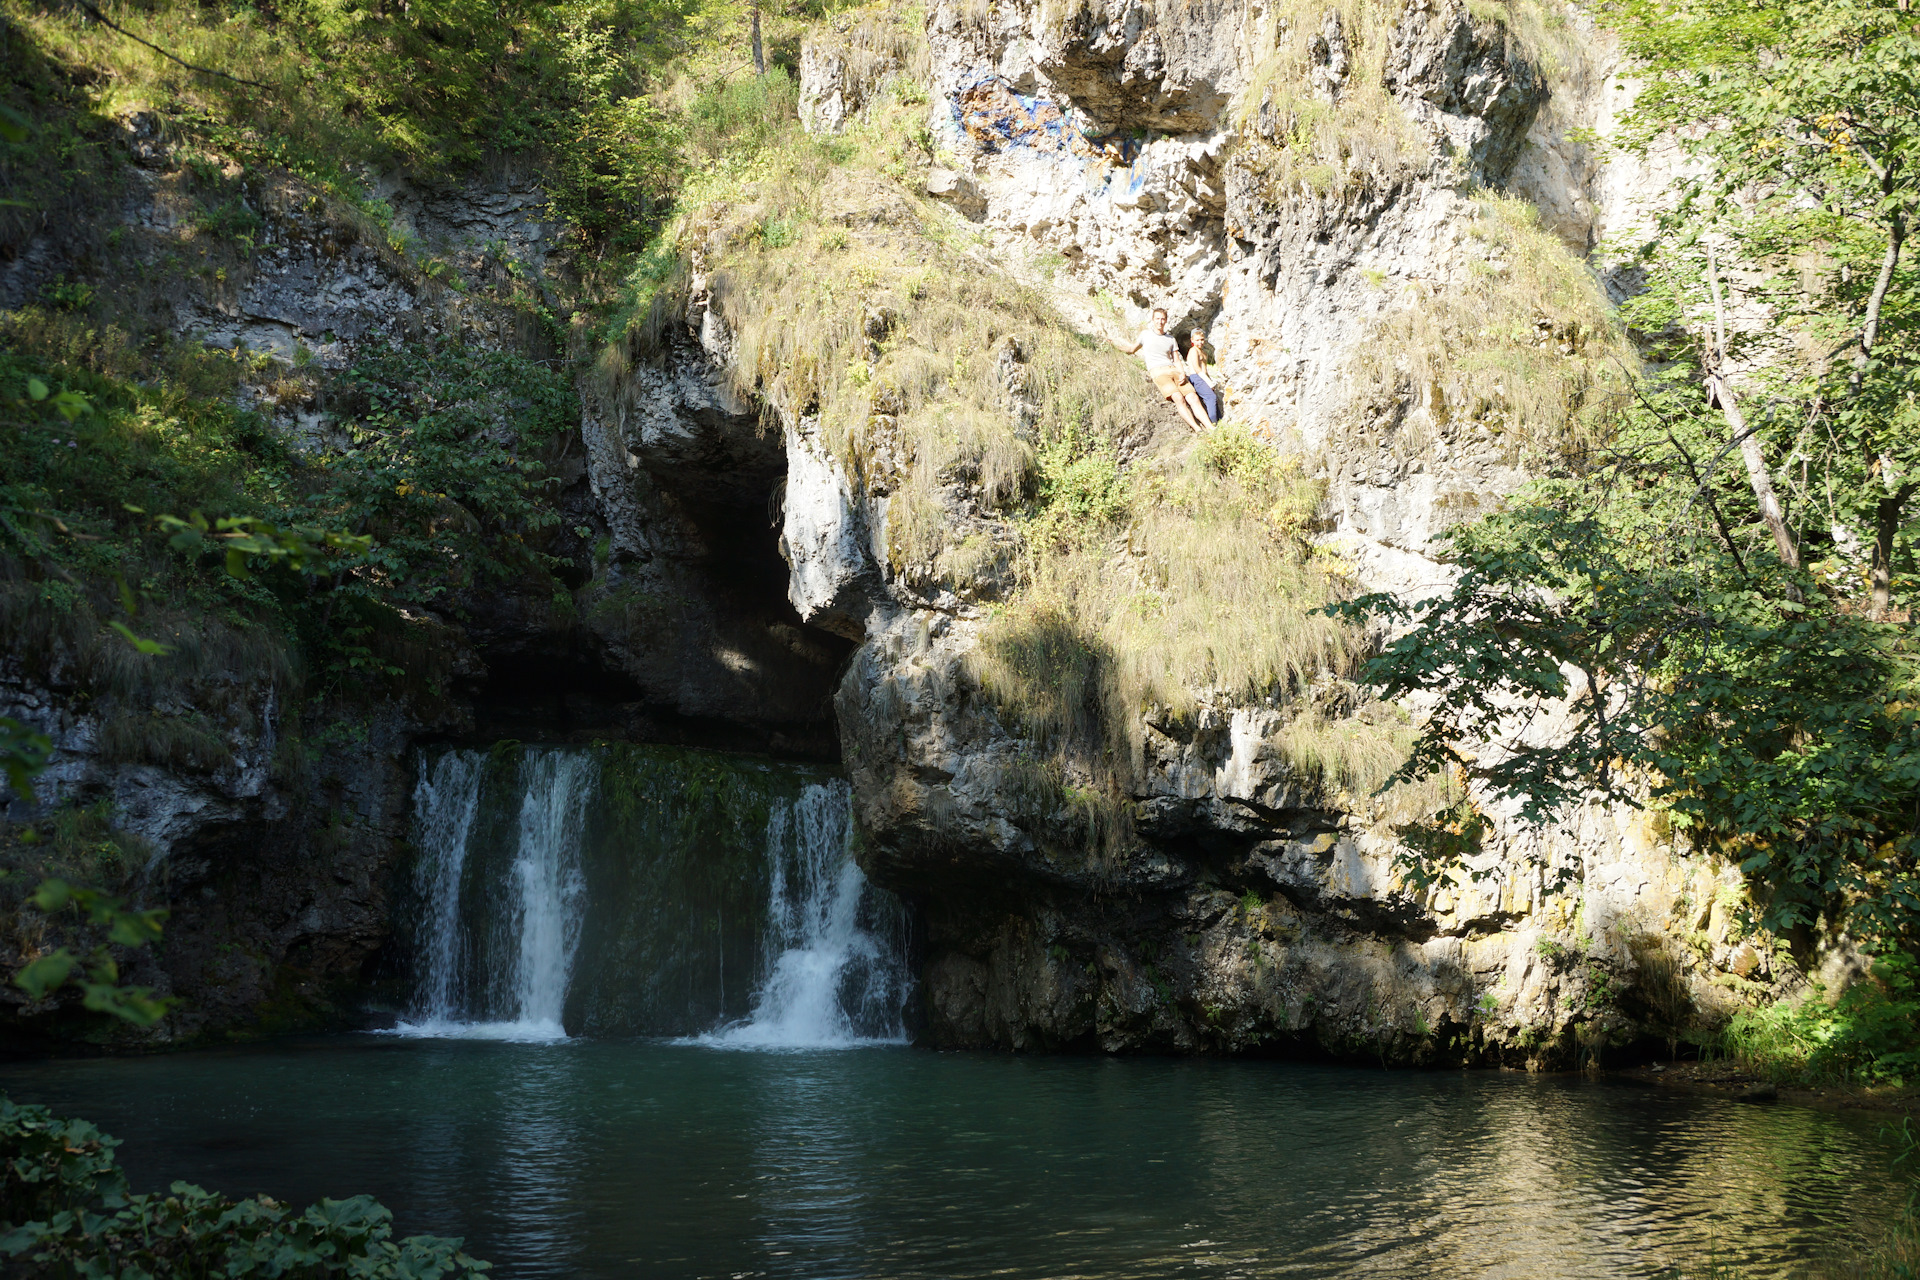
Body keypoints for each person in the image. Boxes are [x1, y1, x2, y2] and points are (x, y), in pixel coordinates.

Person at [1110, 307, 1209, 433]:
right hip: (1158, 371)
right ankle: (1197, 428)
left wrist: (1182, 372)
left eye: (1162, 319)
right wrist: (1114, 345)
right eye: (1157, 319)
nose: (1160, 322)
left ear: (1166, 320)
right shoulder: (1145, 335)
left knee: (1193, 397)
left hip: (1174, 370)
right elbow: (1131, 349)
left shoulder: (1170, 339)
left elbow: (1176, 360)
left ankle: (1210, 427)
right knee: (1178, 397)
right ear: (1153, 320)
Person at [1184, 326, 1222, 423]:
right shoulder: (1193, 351)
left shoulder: (1204, 353)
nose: (1200, 342)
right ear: (1192, 340)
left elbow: (1205, 370)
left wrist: (1210, 381)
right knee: (1211, 397)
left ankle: (1219, 421)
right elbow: (1197, 368)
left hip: (1203, 378)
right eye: (1197, 340)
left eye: (1202, 340)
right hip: (1196, 377)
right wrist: (1209, 383)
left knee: (1214, 397)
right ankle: (1213, 424)